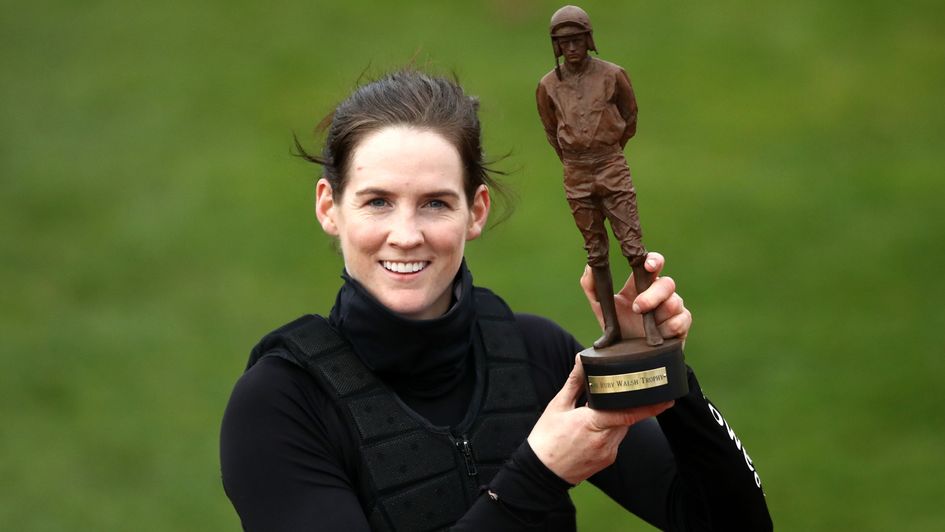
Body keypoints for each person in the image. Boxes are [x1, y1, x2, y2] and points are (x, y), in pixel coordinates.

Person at [220, 70, 772, 531]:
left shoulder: (536, 355)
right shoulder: (280, 403)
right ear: (329, 207)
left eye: (436, 203)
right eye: (378, 201)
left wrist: (660, 362)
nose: (406, 234)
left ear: (476, 211)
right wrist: (540, 473)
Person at [536, 5, 658, 349]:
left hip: (610, 165)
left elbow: (629, 115)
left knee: (634, 248)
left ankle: (649, 320)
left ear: (588, 40)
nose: (572, 48)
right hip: (576, 172)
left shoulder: (612, 75)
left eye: (577, 40)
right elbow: (550, 129)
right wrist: (574, 160)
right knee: (595, 253)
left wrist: (608, 150)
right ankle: (612, 327)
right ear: (556, 46)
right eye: (564, 42)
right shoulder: (547, 86)